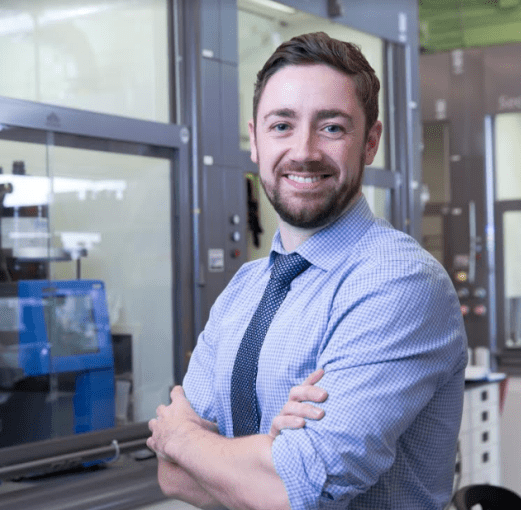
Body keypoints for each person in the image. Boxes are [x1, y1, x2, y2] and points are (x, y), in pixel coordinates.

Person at [147, 32, 467, 510]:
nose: (304, 150)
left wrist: (181, 439)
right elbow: (170, 478)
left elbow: (294, 491)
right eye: (281, 125)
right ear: (254, 140)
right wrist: (263, 460)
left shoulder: (398, 283)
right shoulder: (244, 289)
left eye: (332, 127)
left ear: (370, 142)